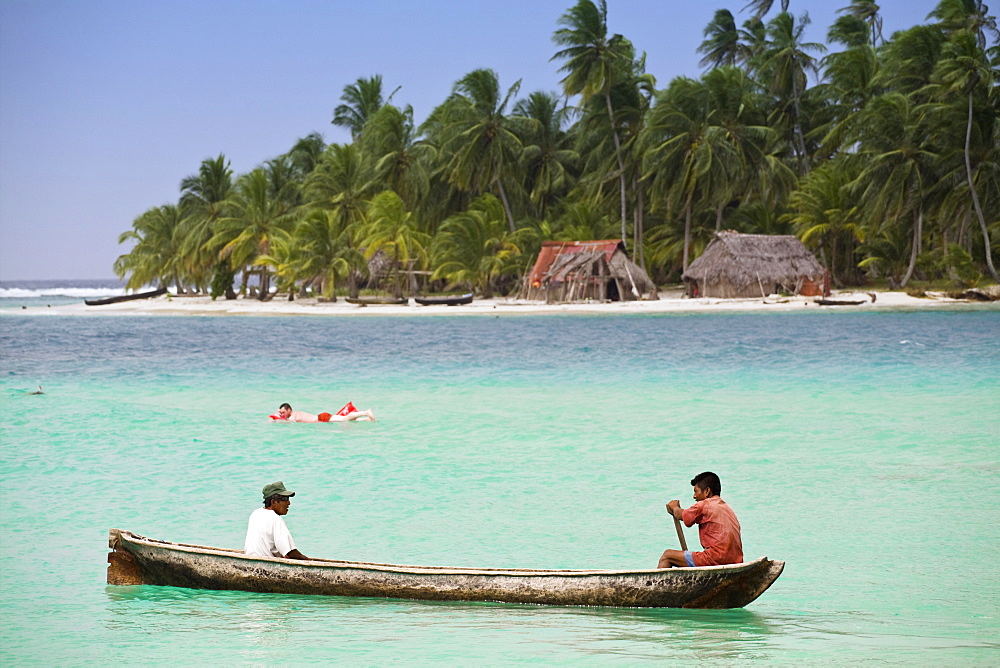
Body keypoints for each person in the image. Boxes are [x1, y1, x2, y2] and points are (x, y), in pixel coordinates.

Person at [657, 471, 743, 569]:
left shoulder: (704, 505)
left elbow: (682, 516)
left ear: (707, 491)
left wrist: (675, 507)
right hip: (735, 561)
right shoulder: (727, 508)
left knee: (667, 556)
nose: (694, 496)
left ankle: (656, 584)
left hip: (715, 559)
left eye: (696, 491)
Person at [244, 481, 310, 560]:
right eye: (285, 499)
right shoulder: (276, 519)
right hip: (265, 561)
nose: (289, 503)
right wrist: (308, 560)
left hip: (250, 557)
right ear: (273, 502)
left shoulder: (255, 514)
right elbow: (289, 551)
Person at [271, 401, 375, 423]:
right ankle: (366, 419)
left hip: (322, 418)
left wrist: (276, 419)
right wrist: (280, 415)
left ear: (289, 410)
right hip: (322, 418)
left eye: (284, 412)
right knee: (345, 421)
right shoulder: (295, 413)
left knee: (345, 418)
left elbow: (290, 422)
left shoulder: (293, 415)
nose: (283, 413)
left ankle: (366, 412)